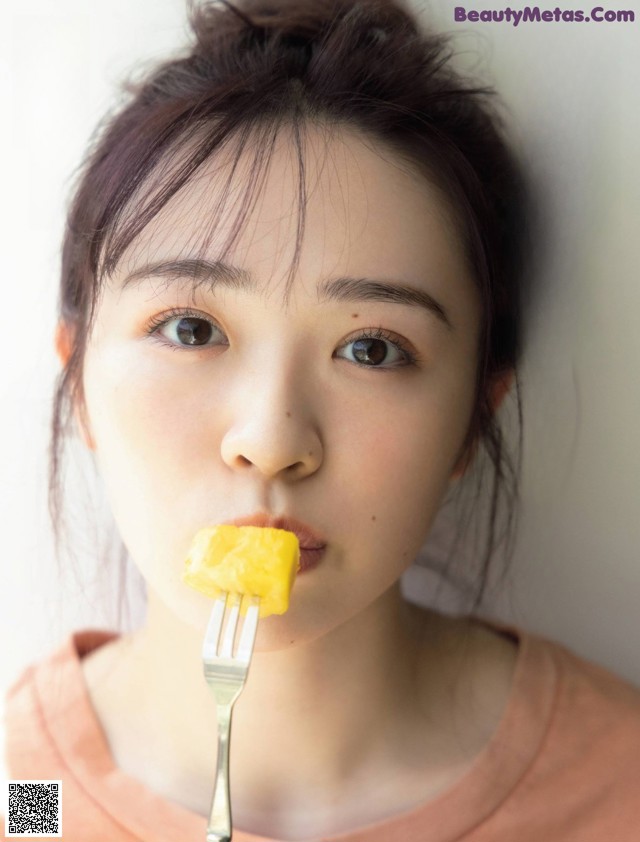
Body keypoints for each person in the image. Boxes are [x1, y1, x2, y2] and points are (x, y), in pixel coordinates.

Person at [4, 0, 640, 840]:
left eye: (373, 350)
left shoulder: (617, 787)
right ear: (79, 380)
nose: (270, 441)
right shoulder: (26, 797)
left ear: (471, 419)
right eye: (191, 330)